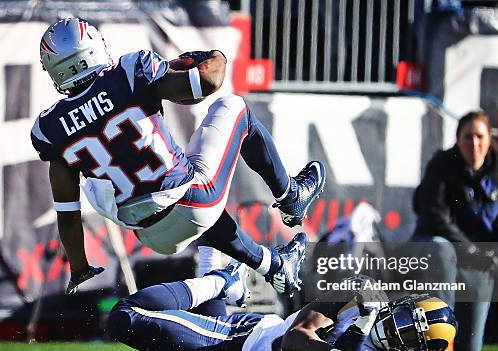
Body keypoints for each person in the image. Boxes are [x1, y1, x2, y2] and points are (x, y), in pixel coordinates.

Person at [30, 18, 325, 299]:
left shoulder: (49, 129)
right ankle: (290, 194)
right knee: (235, 108)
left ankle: (272, 267)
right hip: (192, 200)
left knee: (186, 191)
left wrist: (79, 267)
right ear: (94, 48)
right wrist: (216, 55)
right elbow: (208, 81)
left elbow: (67, 213)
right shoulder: (131, 71)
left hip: (150, 235)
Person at [107, 264, 457, 351]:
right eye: (405, 318)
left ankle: (219, 273)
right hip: (241, 343)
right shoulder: (356, 301)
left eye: (412, 335)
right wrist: (361, 327)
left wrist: (359, 342)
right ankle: (219, 281)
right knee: (124, 317)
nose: (399, 330)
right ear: (402, 304)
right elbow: (295, 342)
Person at [411, 110, 498, 351]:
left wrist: (497, 253)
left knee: (471, 347)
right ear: (457, 139)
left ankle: (457, 341)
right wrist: (472, 250)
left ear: (489, 139)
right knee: (439, 249)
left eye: (479, 137)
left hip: (477, 261)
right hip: (440, 250)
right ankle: (439, 333)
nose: (474, 144)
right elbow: (436, 217)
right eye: (467, 137)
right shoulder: (441, 165)